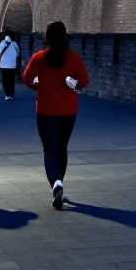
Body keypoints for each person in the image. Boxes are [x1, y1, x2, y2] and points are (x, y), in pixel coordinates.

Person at [22, 21, 90, 210]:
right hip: (69, 110)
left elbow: (27, 78)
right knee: (62, 148)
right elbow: (83, 80)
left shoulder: (39, 58)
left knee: (49, 150)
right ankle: (59, 181)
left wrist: (39, 86)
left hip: (45, 110)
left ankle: (56, 183)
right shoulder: (73, 58)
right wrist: (72, 84)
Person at [0, 32, 21, 100]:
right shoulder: (14, 44)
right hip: (12, 65)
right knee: (11, 80)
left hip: (3, 65)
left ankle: (6, 94)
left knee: (5, 80)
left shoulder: (2, 43)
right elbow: (17, 54)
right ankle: (11, 94)